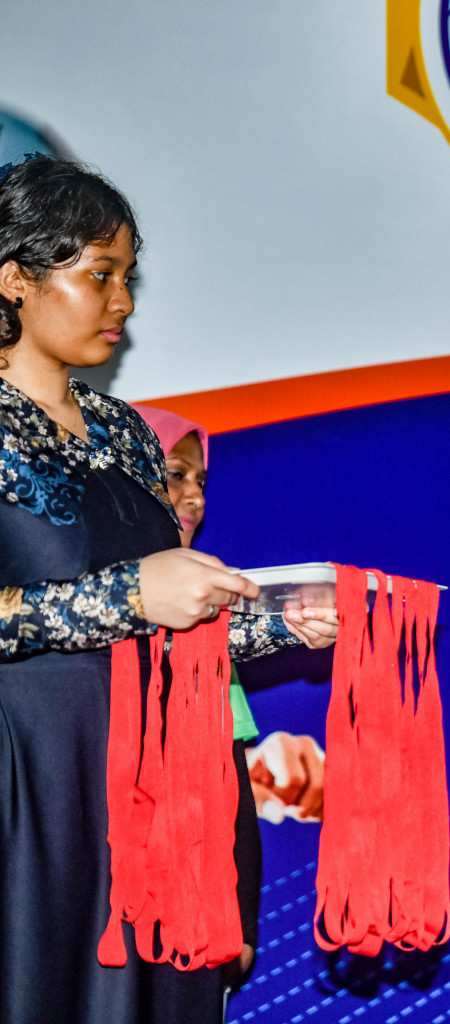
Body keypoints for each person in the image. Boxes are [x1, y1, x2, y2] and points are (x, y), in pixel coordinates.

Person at [0, 154, 335, 1023]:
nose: (125, 303)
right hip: (33, 782)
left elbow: (175, 624)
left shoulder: (130, 431)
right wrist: (124, 598)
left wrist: (283, 623)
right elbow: (129, 600)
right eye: (99, 275)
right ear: (15, 280)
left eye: (128, 277)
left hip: (160, 784)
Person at [130, 404, 336, 987]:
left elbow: (227, 787)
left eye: (200, 481)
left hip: (196, 895)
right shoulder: (82, 599)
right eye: (174, 473)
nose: (193, 496)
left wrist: (240, 917)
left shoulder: (208, 600)